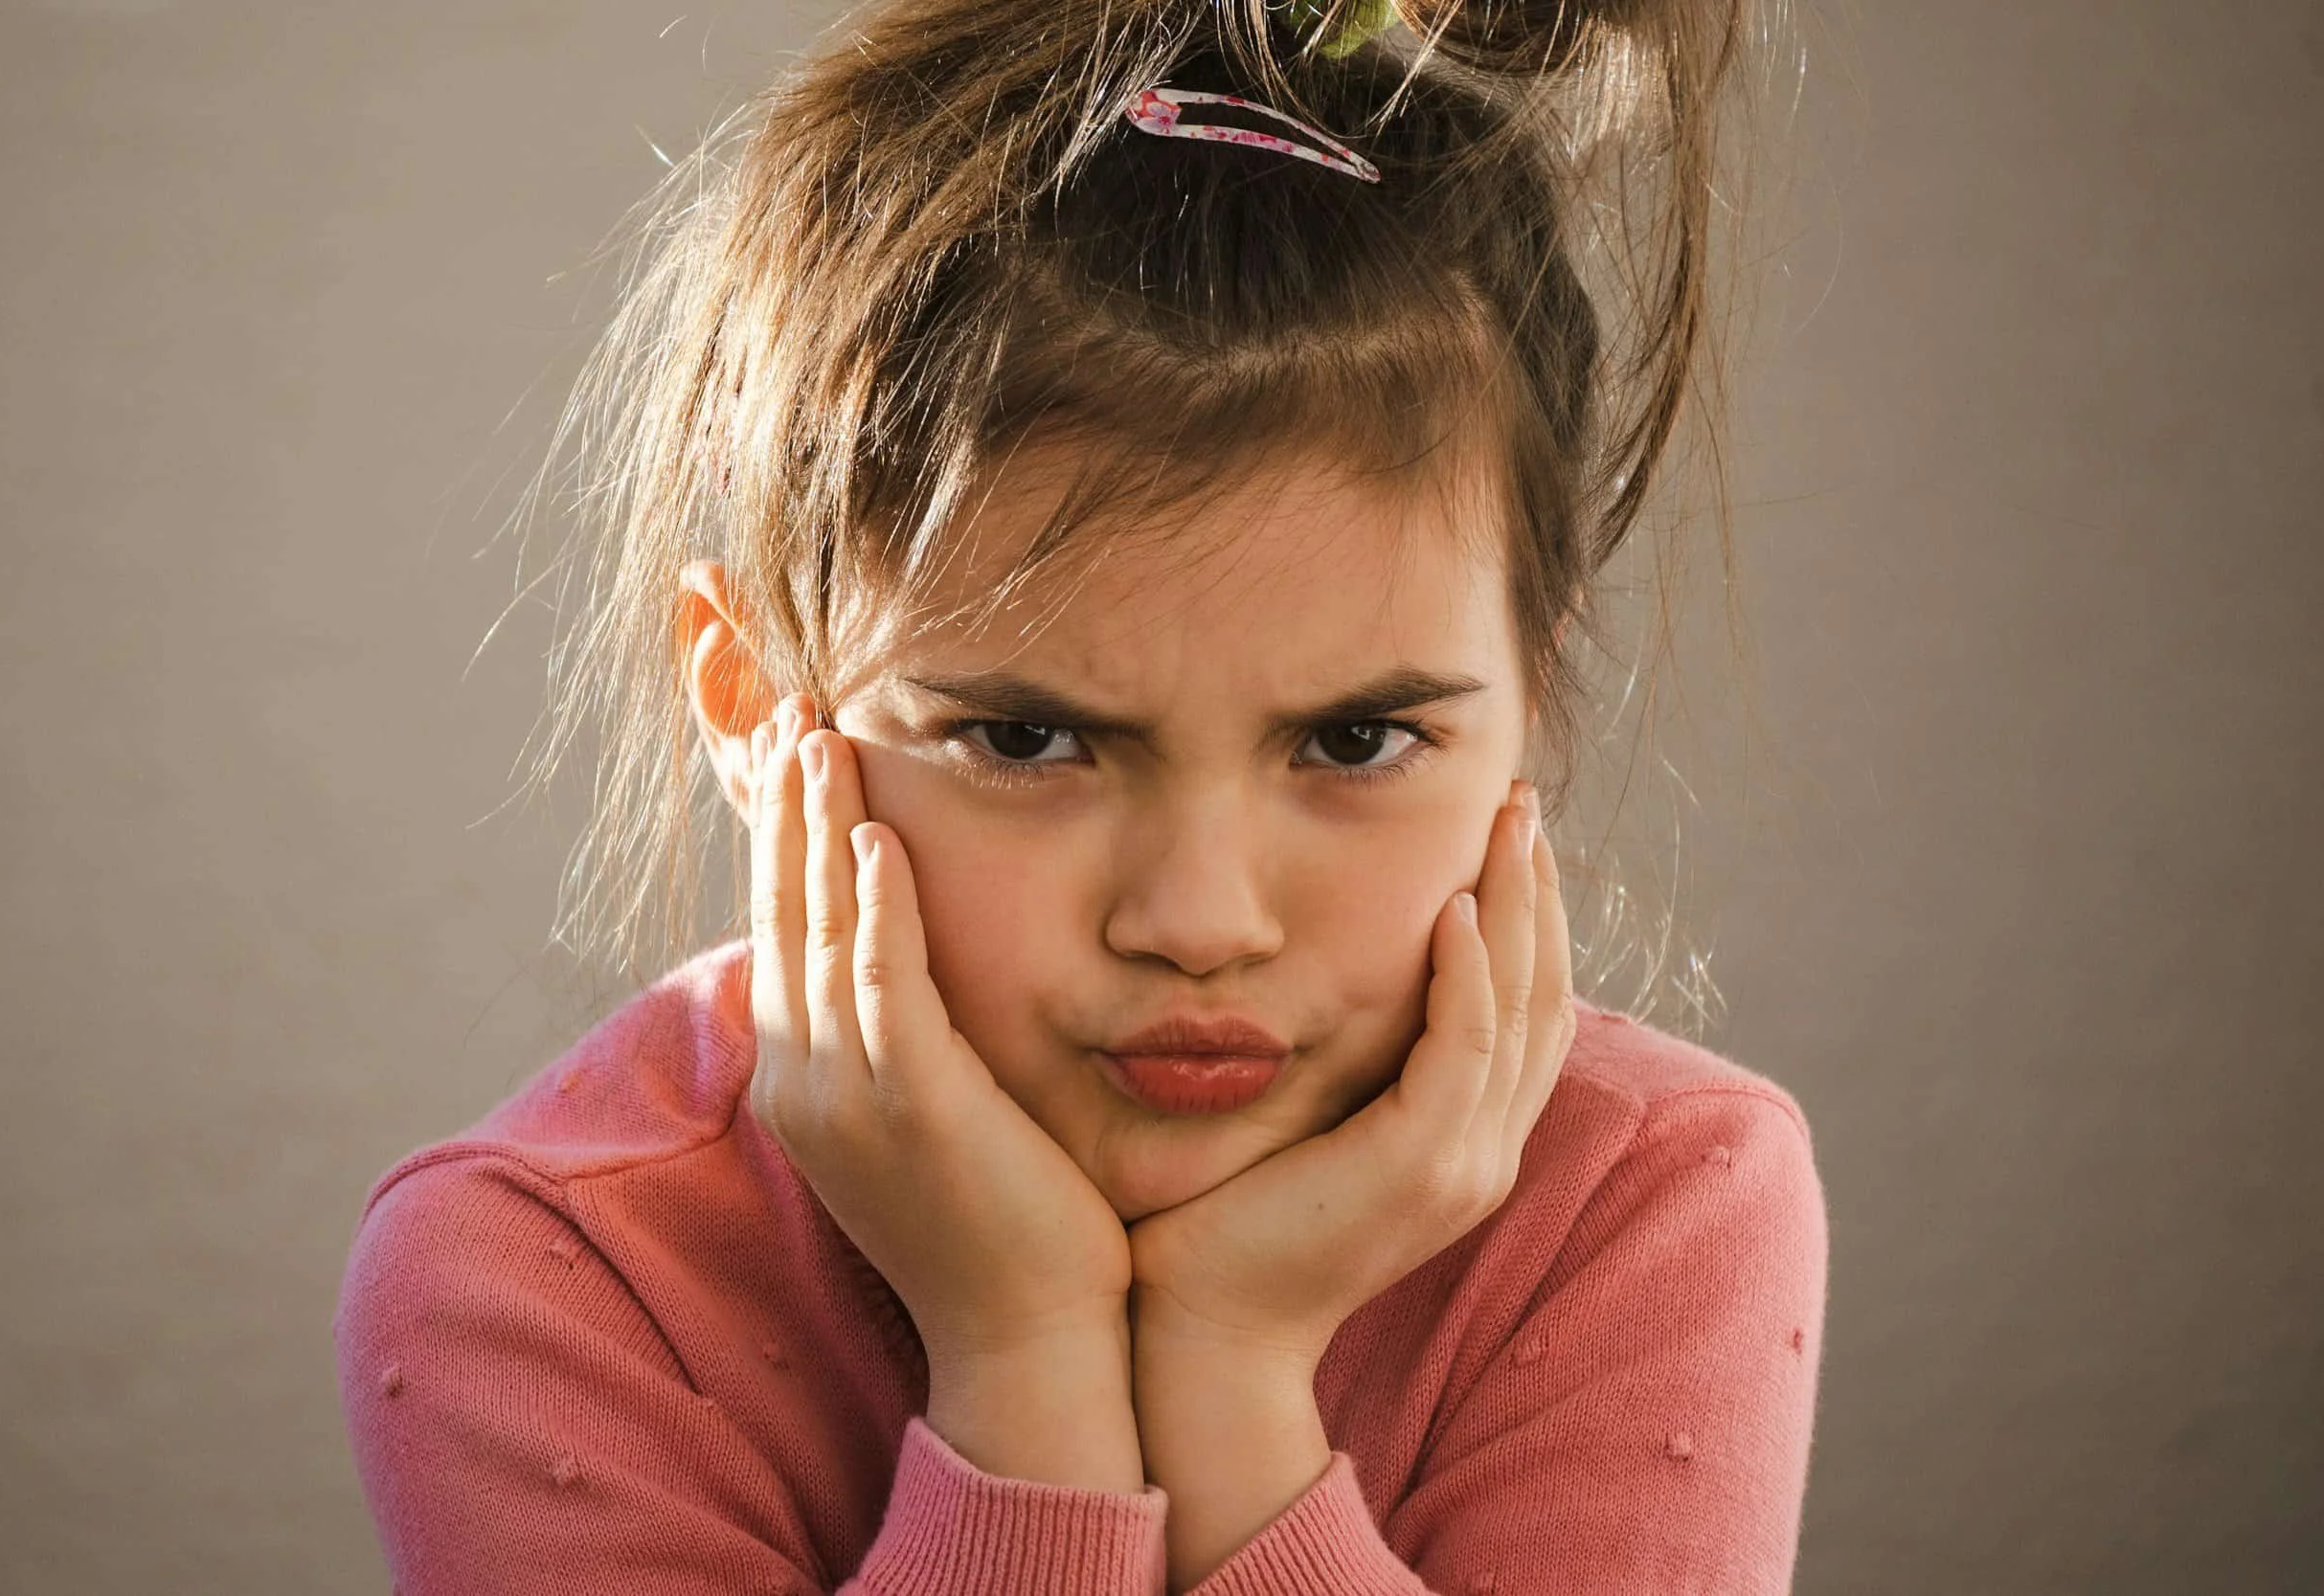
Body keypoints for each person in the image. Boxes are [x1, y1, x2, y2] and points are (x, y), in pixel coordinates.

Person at [332, 1, 1828, 1591]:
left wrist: (1236, 1364)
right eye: (1029, 744)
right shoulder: (540, 1280)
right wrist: (1021, 1358)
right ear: (757, 702)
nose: (1200, 920)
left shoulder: (1651, 1202)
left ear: (1534, 682)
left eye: (1355, 741)